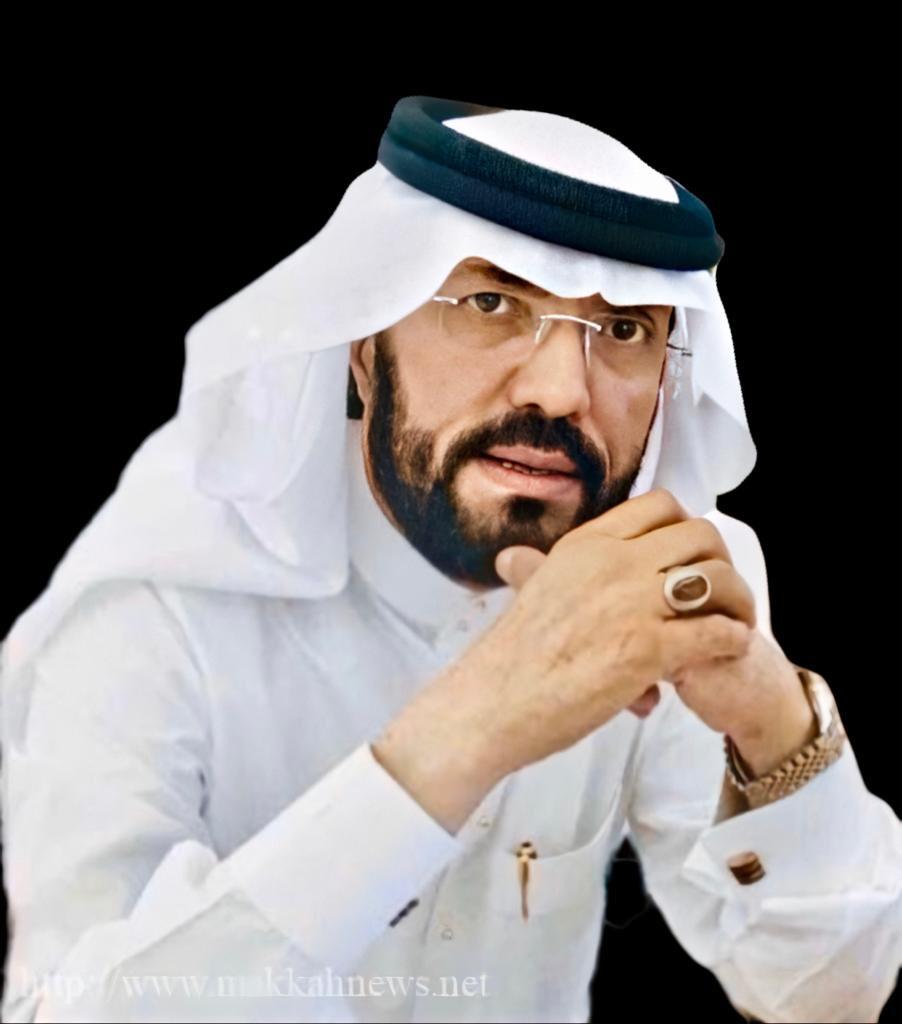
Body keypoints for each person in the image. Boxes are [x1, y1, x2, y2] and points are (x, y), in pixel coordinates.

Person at [0, 95, 899, 1023]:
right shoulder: (157, 601)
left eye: (625, 329)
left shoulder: (664, 584)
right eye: (490, 304)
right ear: (364, 345)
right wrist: (476, 724)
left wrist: (775, 723)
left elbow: (827, 998)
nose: (561, 391)